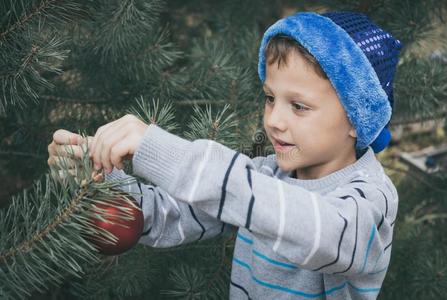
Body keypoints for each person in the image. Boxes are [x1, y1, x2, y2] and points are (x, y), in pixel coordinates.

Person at [48, 11, 402, 299]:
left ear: (356, 118)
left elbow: (316, 232)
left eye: (298, 106)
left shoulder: (370, 198)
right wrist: (95, 177)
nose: (274, 120)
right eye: (269, 98)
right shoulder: (266, 174)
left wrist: (161, 150)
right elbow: (168, 216)